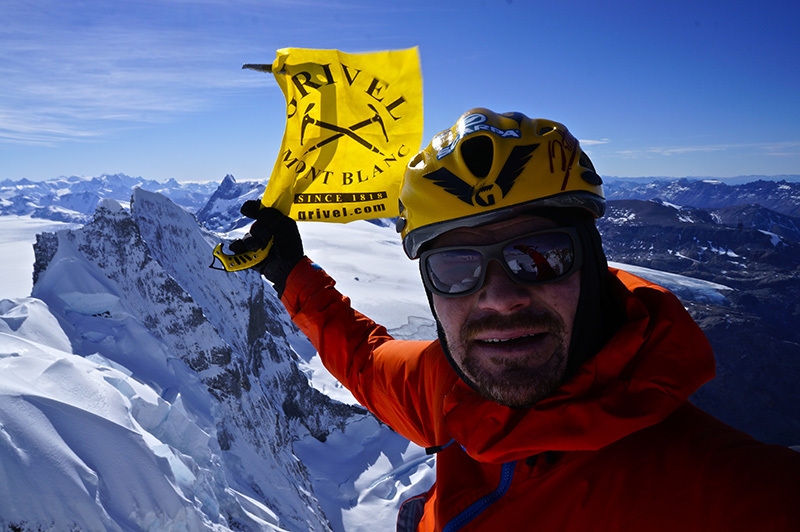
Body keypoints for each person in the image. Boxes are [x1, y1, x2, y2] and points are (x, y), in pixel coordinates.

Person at [229, 108, 800, 531]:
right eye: (457, 267)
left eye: (541, 256)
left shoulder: (732, 495)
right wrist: (290, 273)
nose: (499, 297)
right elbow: (366, 360)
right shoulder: (450, 387)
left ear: (592, 267)